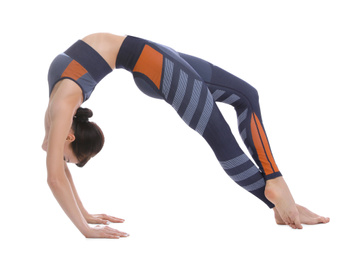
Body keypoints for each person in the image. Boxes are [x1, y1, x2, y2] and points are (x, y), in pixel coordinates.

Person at [43, 33, 329, 239]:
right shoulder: (56, 114)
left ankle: (275, 188)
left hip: (157, 64)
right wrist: (86, 214)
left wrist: (84, 230)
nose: (63, 160)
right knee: (234, 113)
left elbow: (55, 177)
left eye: (69, 158)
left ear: (68, 138)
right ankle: (276, 199)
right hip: (151, 58)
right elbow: (59, 169)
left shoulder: (63, 105)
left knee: (240, 107)